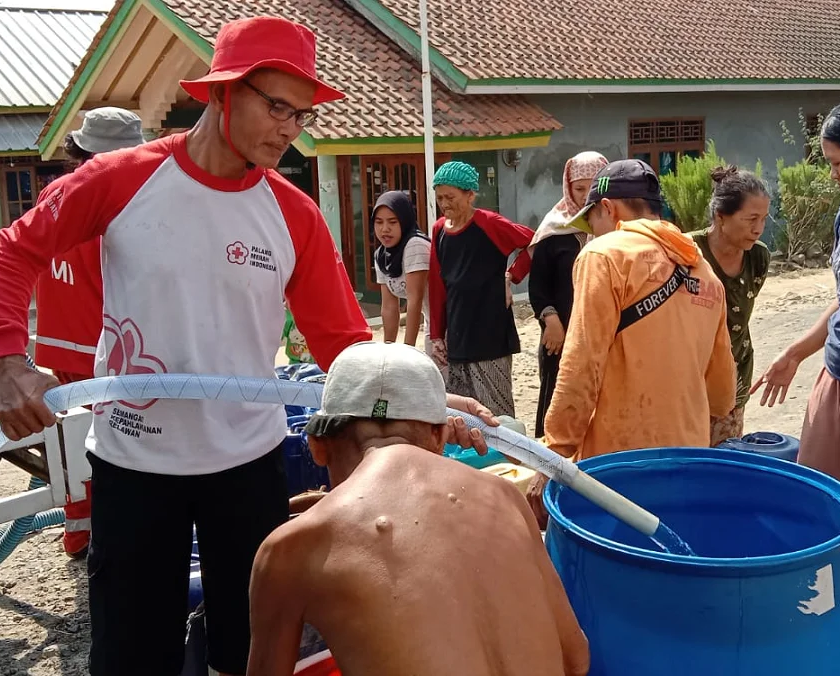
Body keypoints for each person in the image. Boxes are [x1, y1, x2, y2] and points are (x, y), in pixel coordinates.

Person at [0, 17, 374, 676]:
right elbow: (16, 248)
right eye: (275, 106)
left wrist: (410, 395)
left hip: (247, 465)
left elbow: (343, 340)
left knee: (250, 652)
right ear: (222, 93)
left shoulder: (293, 213)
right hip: (135, 463)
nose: (289, 128)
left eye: (299, 114)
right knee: (132, 654)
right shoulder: (119, 178)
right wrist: (9, 359)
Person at [247, 341, 590, 676]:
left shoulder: (293, 547)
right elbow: (576, 659)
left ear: (317, 447)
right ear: (440, 437)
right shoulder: (505, 497)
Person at [529, 159, 736, 525]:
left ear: (607, 208)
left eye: (592, 222)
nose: (593, 233)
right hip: (686, 458)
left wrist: (555, 453)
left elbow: (581, 366)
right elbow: (722, 392)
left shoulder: (604, 255)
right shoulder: (705, 273)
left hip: (620, 464)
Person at [752, 90, 840, 529]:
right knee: (820, 508)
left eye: (837, 163)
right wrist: (798, 350)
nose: (831, 174)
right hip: (834, 381)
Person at [32, 107, 146, 558]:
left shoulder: (52, 196)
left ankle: (80, 535)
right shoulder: (117, 204)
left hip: (60, 345)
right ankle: (111, 539)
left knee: (75, 443)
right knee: (118, 445)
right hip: (108, 347)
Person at [429, 161, 533, 417]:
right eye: (440, 197)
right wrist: (436, 335)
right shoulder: (439, 230)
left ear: (470, 194)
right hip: (458, 335)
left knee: (496, 415)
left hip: (491, 334)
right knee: (461, 416)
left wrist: (511, 276)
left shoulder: (489, 223)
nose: (445, 203)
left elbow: (534, 242)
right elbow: (437, 285)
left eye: (451, 197)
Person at [528, 151, 608, 438]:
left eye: (593, 188)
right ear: (568, 187)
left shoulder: (615, 231)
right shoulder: (554, 230)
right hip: (561, 337)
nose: (587, 196)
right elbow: (538, 287)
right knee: (557, 403)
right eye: (579, 188)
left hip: (604, 337)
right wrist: (551, 320)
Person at [689, 166, 771, 446]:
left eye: (763, 220)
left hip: (734, 372)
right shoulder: (687, 253)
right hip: (688, 376)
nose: (758, 229)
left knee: (724, 458)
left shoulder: (758, 257)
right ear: (720, 216)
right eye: (751, 219)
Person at [372, 191, 432, 355]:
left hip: (449, 319)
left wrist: (407, 352)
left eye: (392, 222)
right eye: (379, 222)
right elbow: (389, 307)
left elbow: (415, 300)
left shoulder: (414, 245)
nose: (385, 229)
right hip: (432, 320)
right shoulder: (381, 255)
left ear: (404, 221)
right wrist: (389, 353)